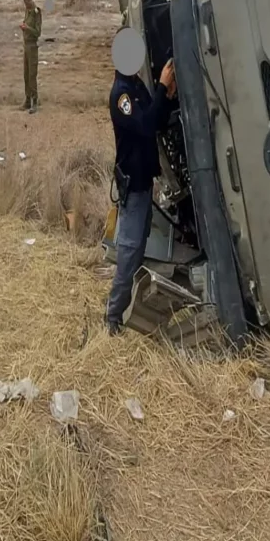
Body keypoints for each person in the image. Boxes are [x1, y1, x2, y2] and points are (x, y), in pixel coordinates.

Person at [105, 54, 176, 334]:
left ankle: (126, 309)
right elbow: (145, 125)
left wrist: (167, 96)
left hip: (144, 181)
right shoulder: (121, 95)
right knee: (129, 251)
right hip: (133, 185)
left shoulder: (135, 87)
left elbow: (155, 120)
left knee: (138, 248)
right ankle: (112, 317)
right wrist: (160, 87)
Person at [19, 0, 42, 112]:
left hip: (33, 47)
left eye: (27, 3)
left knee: (32, 76)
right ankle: (27, 100)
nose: (26, 5)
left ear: (29, 0)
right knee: (26, 75)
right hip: (26, 46)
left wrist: (27, 28)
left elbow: (38, 32)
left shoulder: (36, 12)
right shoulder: (27, 11)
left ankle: (35, 101)